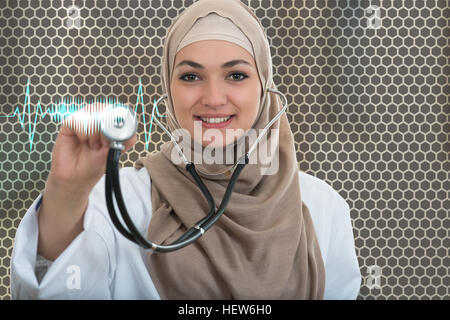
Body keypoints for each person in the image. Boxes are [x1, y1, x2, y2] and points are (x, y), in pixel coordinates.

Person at [11, 0, 361, 299]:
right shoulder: (118, 202)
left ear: (264, 87)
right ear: (168, 86)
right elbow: (49, 290)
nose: (212, 98)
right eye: (190, 77)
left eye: (236, 75)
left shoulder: (323, 207)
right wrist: (67, 192)